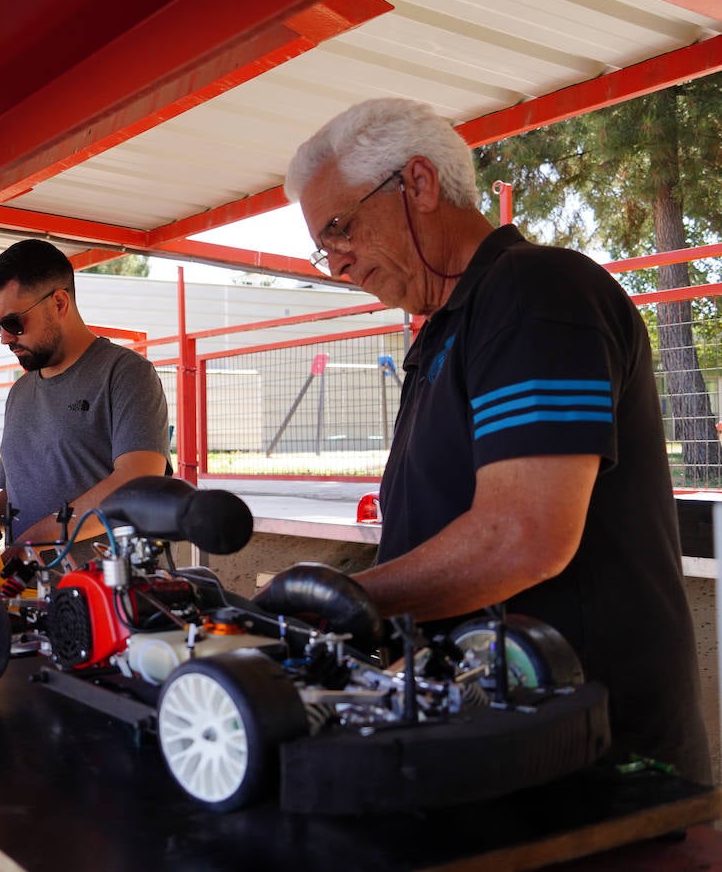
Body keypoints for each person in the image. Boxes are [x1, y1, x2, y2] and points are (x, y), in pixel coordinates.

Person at [284, 97, 710, 783]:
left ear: (418, 184)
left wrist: (340, 602)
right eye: (323, 246)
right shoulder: (444, 333)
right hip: (505, 734)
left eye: (341, 229)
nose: (336, 264)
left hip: (592, 759)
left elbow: (525, 534)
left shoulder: (534, 288)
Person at [0, 239, 170, 574]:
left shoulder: (125, 373)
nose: (4, 338)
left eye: (14, 323)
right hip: (26, 596)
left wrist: (37, 539)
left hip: (105, 600)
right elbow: (18, 492)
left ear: (59, 302)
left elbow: (137, 481)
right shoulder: (19, 392)